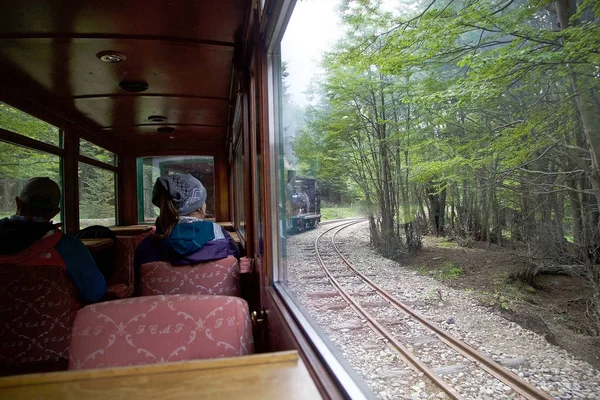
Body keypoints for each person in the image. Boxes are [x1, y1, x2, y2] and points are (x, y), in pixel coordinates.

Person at [0, 177, 107, 303]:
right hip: (57, 322)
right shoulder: (69, 247)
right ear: (55, 212)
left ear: (18, 203)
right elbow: (95, 293)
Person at [134, 174, 250, 279]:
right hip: (218, 302)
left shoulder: (146, 247)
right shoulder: (222, 237)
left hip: (161, 303)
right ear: (200, 206)